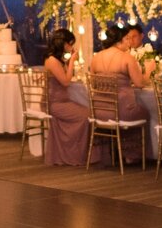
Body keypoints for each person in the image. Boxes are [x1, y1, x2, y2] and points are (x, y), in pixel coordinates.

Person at [41, 29, 105, 166]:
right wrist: (71, 62)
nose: (71, 47)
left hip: (63, 101)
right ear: (64, 44)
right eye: (70, 44)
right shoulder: (52, 60)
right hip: (55, 103)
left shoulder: (58, 60)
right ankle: (75, 153)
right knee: (86, 115)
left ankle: (80, 152)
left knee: (88, 111)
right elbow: (65, 81)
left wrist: (69, 61)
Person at [89, 23, 151, 162]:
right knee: (145, 112)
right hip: (121, 111)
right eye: (127, 39)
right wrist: (149, 70)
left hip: (99, 110)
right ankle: (133, 154)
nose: (130, 42)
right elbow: (140, 83)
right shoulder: (127, 58)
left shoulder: (96, 57)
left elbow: (93, 84)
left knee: (136, 112)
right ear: (119, 41)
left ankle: (114, 152)